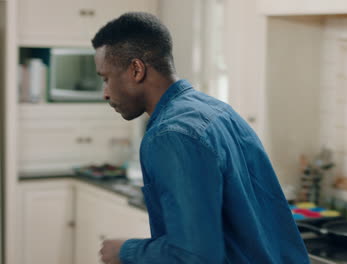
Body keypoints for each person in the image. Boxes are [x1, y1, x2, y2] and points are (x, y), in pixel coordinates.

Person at [93, 12, 309, 264]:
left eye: (106, 78)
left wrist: (125, 252)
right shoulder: (216, 110)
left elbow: (193, 256)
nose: (105, 93)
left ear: (136, 69)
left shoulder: (171, 135)